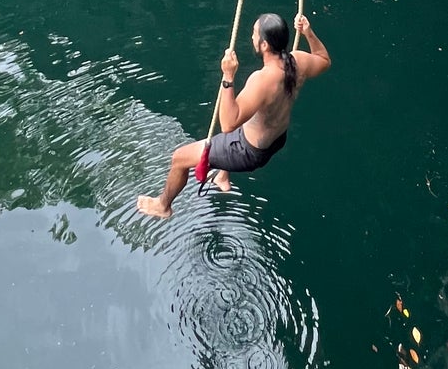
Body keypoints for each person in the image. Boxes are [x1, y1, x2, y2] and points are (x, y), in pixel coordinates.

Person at [137, 12, 331, 219]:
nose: (251, 38)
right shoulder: (298, 61)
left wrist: (228, 76)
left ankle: (163, 206)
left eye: (255, 34)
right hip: (276, 139)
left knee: (179, 158)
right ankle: (222, 177)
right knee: (244, 115)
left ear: (264, 45)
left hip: (247, 151)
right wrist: (308, 32)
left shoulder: (262, 80)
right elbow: (324, 60)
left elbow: (228, 124)